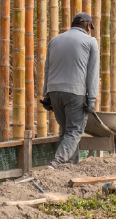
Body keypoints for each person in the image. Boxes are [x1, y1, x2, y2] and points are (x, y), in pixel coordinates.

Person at [40, 12, 99, 167]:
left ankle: (71, 167)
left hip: (54, 91)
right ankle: (56, 163)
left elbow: (47, 69)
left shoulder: (54, 40)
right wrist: (92, 99)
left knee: (66, 131)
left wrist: (46, 94)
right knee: (74, 131)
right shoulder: (90, 41)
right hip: (75, 93)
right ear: (87, 26)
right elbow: (93, 72)